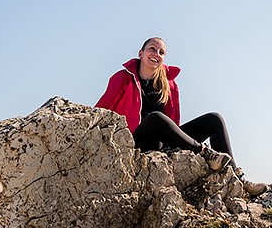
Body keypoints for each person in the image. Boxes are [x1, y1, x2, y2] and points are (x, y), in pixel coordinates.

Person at [95, 37, 234, 161]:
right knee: (155, 118)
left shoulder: (169, 84)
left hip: (163, 144)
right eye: (152, 49)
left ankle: (236, 176)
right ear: (140, 53)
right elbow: (102, 109)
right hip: (135, 142)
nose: (156, 54)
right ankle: (204, 152)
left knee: (214, 119)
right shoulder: (123, 78)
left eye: (161, 52)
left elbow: (173, 122)